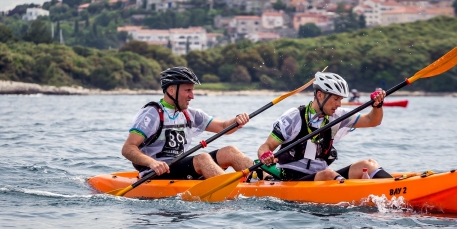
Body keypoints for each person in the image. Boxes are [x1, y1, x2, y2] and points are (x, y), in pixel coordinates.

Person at [122, 66, 255, 180]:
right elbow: (128, 149)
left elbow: (223, 127)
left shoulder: (189, 113)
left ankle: (264, 179)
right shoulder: (152, 114)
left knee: (230, 151)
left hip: (180, 166)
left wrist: (236, 121)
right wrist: (152, 163)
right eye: (188, 91)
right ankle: (234, 191)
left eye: (192, 91)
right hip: (156, 172)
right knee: (202, 158)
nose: (192, 96)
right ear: (171, 90)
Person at [257, 71, 393, 181]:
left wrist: (377, 106)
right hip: (293, 179)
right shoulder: (294, 116)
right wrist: (265, 155)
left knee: (368, 164)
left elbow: (372, 121)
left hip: (322, 176)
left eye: (340, 99)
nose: (339, 104)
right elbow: (266, 146)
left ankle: (394, 189)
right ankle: (351, 193)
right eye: (335, 99)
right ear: (320, 95)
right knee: (328, 174)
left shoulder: (338, 116)